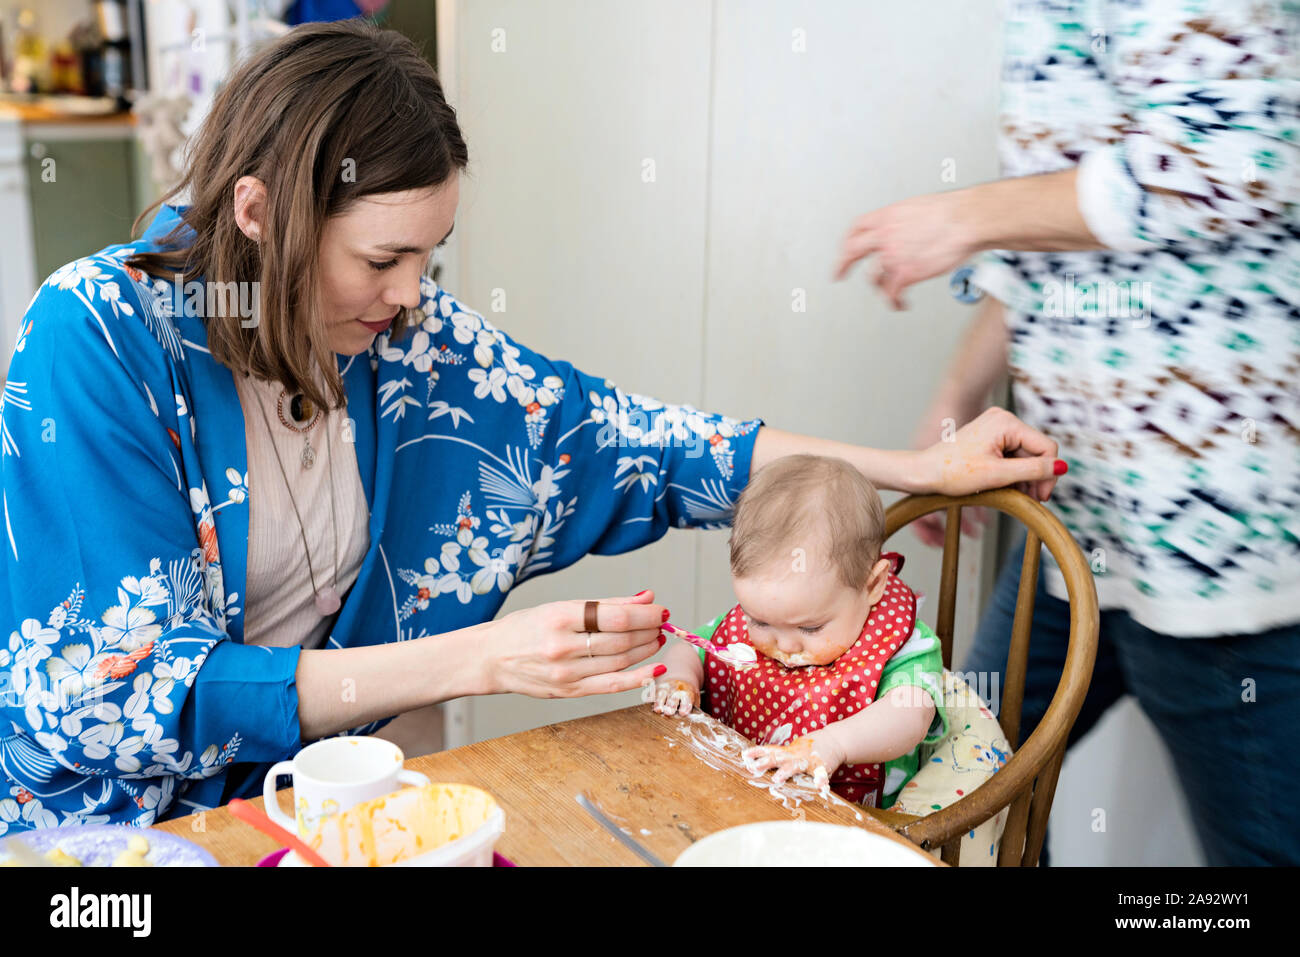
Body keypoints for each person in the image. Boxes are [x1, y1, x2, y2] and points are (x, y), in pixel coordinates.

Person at [0, 20, 1065, 833]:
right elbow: (126, 702)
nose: (414, 296)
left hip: (305, 809)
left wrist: (919, 462)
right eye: (382, 260)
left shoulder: (411, 346)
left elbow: (643, 440)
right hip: (104, 844)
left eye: (432, 257)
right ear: (259, 214)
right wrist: (483, 659)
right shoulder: (95, 340)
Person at [836, 1, 1299, 864]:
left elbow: (1236, 157)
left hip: (1209, 540)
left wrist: (967, 214)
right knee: (956, 789)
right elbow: (1056, 241)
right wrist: (951, 404)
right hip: (1084, 519)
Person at [650, 455, 948, 809]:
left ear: (873, 585)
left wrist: (834, 744)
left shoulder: (902, 645)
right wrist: (680, 678)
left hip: (856, 827)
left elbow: (910, 715)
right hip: (744, 801)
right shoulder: (751, 626)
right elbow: (693, 648)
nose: (784, 645)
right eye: (759, 621)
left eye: (810, 627)